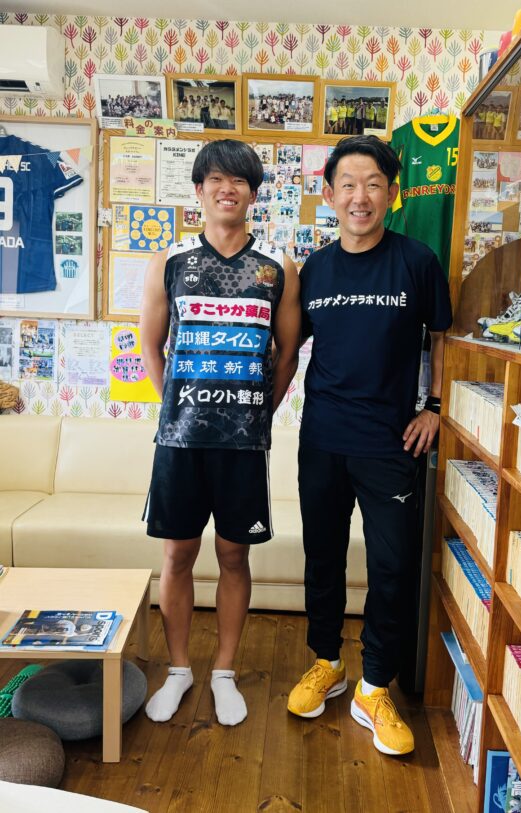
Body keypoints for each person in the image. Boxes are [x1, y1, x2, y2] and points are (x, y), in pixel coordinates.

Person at [287, 136, 452, 756]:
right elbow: (289, 347)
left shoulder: (417, 261)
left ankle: (375, 686)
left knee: (392, 566)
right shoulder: (314, 270)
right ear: (329, 195)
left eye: (374, 184)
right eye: (348, 185)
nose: (361, 197)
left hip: (390, 444)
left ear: (392, 193)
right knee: (323, 557)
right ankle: (327, 663)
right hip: (322, 440)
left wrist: (435, 407)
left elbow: (443, 338)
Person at [140, 140, 301, 726]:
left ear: (253, 193)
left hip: (242, 445)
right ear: (199, 190)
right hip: (180, 443)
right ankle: (179, 669)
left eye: (238, 181)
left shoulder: (277, 266)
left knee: (234, 556)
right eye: (215, 179)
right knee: (177, 554)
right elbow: (151, 345)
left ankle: (225, 672)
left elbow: (287, 354)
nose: (226, 189)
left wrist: (258, 413)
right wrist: (178, 408)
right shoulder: (171, 261)